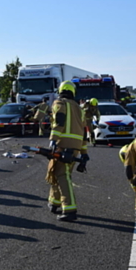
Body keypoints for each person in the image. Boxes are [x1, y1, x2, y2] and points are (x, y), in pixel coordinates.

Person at [46, 81, 88, 222]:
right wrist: (83, 151)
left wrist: (53, 138)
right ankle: (54, 202)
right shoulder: (78, 107)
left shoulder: (60, 103)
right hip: (75, 146)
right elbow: (84, 130)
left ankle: (69, 210)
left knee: (62, 176)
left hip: (62, 144)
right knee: (59, 174)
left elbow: (59, 121)